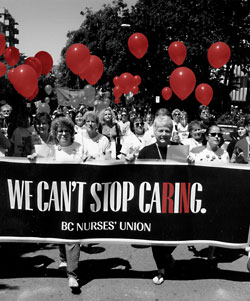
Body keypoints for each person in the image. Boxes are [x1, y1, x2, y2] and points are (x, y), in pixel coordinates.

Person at [137, 115, 179, 285]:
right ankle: (161, 268)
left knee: (176, 235)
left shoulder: (178, 149)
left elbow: (185, 176)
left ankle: (167, 256)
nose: (163, 134)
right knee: (156, 237)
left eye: (167, 131)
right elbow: (136, 176)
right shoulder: (146, 151)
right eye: (160, 130)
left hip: (174, 201)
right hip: (152, 202)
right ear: (154, 131)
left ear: (171, 132)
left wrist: (191, 164)